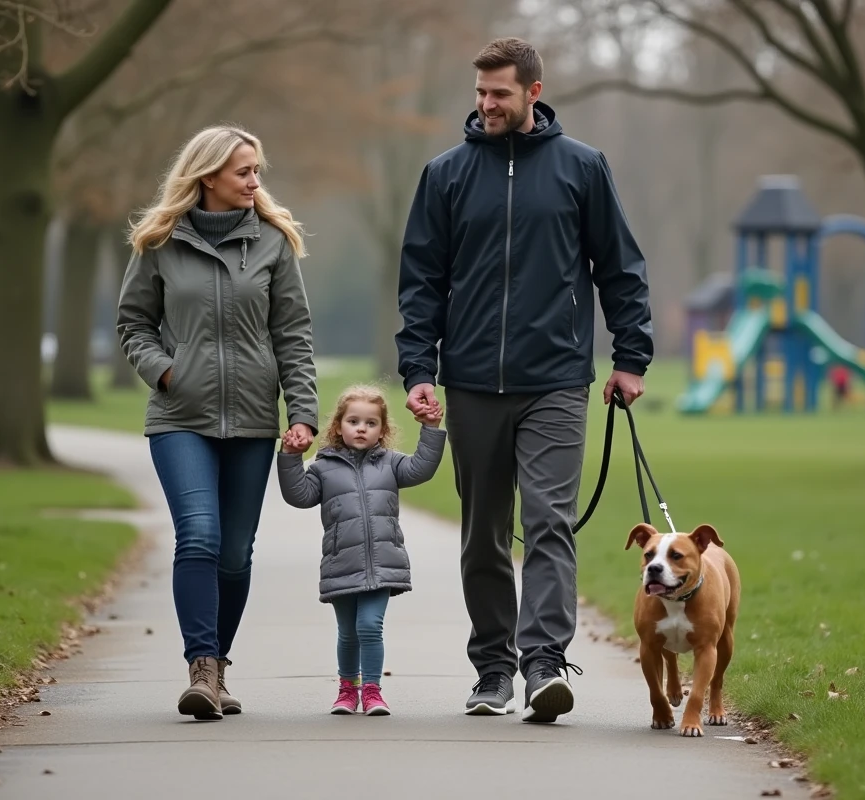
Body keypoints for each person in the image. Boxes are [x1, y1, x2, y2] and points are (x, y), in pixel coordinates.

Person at [395, 37, 654, 723]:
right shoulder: (445, 175)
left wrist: (631, 358)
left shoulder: (583, 168)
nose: (486, 106)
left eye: (500, 94)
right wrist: (420, 368)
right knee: (483, 532)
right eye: (480, 94)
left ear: (532, 93)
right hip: (472, 381)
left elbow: (619, 268)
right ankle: (491, 670)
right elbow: (420, 282)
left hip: (557, 381)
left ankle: (543, 664)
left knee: (548, 524)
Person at [117, 125, 319, 720]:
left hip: (255, 421)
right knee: (199, 536)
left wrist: (302, 411)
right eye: (244, 172)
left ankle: (220, 666)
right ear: (208, 176)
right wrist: (166, 372)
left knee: (234, 554)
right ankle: (201, 669)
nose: (256, 182)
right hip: (180, 417)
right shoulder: (159, 242)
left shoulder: (275, 243)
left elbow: (294, 336)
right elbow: (133, 324)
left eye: (258, 171)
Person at [276, 385, 446, 716]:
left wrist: (431, 429)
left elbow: (422, 468)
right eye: (354, 421)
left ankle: (371, 690)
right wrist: (290, 456)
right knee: (348, 633)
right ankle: (346, 690)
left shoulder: (391, 464)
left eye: (371, 423)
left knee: (369, 626)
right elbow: (298, 495)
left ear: (382, 430)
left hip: (384, 564)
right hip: (341, 562)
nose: (361, 428)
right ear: (338, 425)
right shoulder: (323, 467)